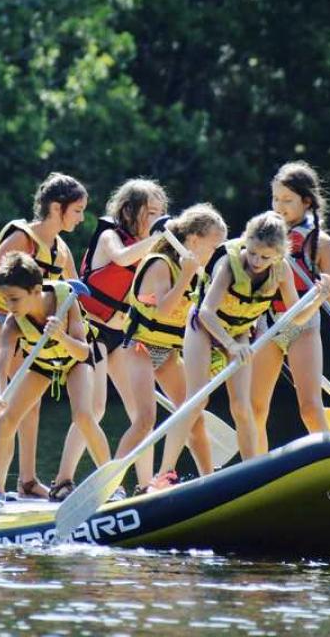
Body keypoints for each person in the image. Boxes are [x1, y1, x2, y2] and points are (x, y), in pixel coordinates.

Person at [177, 211, 330, 471]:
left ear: (279, 254)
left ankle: (252, 471)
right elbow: (206, 312)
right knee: (197, 401)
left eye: (265, 257)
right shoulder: (231, 264)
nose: (257, 261)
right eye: (252, 253)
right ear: (246, 242)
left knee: (242, 406)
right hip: (209, 329)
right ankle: (163, 473)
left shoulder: (281, 269)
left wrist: (318, 298)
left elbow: (296, 317)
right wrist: (231, 344)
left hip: (239, 332)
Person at [53, 179, 168, 500]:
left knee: (141, 415)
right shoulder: (110, 237)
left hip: (123, 334)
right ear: (130, 211)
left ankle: (144, 486)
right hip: (92, 329)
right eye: (151, 213)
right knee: (96, 408)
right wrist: (160, 240)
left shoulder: (153, 249)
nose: (157, 219)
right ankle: (63, 481)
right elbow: (121, 259)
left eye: (161, 213)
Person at [0, 172, 86, 498]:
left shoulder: (61, 248)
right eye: (77, 210)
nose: (81, 218)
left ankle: (26, 481)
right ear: (56, 207)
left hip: (33, 330)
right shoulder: (23, 237)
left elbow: (73, 292)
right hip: (2, 320)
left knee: (30, 405)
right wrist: (15, 298)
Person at [249, 162, 330, 454]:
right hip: (267, 323)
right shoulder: (261, 236)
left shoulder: (320, 244)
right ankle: (255, 474)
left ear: (307, 201)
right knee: (254, 408)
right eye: (275, 198)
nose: (278, 206)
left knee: (311, 408)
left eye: (287, 200)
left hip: (304, 326)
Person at [0, 253, 111, 507]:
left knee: (83, 417)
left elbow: (83, 351)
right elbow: (0, 366)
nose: (9, 305)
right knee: (7, 418)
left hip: (76, 360)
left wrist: (62, 336)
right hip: (45, 364)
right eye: (5, 299)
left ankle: (110, 482)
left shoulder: (65, 299)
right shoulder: (13, 323)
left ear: (35, 290)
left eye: (14, 299)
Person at [121, 205, 228, 493]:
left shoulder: (199, 273)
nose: (217, 252)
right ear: (193, 240)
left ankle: (211, 481)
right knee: (145, 420)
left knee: (193, 413)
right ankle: (113, 484)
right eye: (214, 245)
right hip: (140, 346)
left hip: (168, 351)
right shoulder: (161, 263)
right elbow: (164, 310)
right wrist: (186, 275)